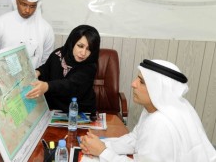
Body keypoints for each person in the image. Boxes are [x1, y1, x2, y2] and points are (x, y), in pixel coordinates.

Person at [80, 59, 216, 162]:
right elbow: (135, 140)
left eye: (142, 82)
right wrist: (102, 145)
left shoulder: (160, 123)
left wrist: (103, 152)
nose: (133, 84)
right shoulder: (158, 107)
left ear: (158, 89)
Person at [26, 24, 100, 113]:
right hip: (55, 110)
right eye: (80, 46)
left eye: (89, 49)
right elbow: (47, 68)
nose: (83, 53)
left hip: (81, 113)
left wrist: (47, 86)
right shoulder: (58, 54)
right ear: (72, 42)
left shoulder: (90, 66)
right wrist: (38, 72)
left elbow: (70, 85)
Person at [0, 0, 54, 68]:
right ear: (16, 0)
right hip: (5, 78)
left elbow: (46, 61)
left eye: (32, 6)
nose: (27, 10)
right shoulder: (0, 23)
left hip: (34, 79)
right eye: (24, 4)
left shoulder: (46, 29)